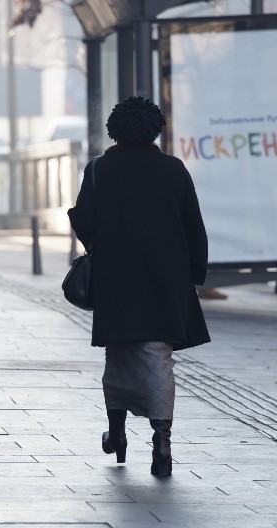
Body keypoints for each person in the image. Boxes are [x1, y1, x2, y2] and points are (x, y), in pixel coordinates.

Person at [67, 96, 210, 477]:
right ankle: (162, 442)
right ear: (155, 130)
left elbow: (83, 220)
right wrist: (194, 274)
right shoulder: (174, 170)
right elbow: (193, 227)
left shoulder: (100, 170)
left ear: (115, 130)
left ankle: (117, 434)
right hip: (166, 280)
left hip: (117, 280)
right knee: (158, 357)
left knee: (119, 354)